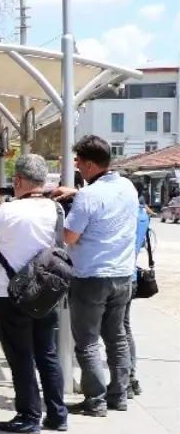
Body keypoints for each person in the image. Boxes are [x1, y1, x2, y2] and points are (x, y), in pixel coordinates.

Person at [0, 154, 67, 434]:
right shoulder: (55, 209)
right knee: (47, 353)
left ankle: (28, 416)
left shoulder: (9, 211)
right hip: (47, 292)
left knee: (21, 355)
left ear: (18, 181)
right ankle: (57, 414)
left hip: (12, 294)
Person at [52, 135, 138, 417]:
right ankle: (119, 396)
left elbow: (70, 236)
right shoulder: (128, 187)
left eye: (77, 161)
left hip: (90, 277)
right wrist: (75, 193)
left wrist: (64, 213)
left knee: (87, 342)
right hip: (123, 275)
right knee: (117, 338)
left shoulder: (88, 196)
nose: (75, 166)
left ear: (89, 165)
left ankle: (95, 401)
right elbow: (105, 201)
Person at [129, 185, 151, 398]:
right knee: (123, 330)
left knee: (116, 333)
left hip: (119, 274)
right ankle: (130, 377)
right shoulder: (143, 214)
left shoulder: (130, 213)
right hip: (131, 275)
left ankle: (126, 380)